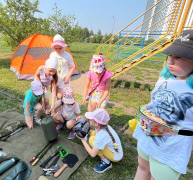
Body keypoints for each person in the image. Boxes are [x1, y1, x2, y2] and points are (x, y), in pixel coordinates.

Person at [133, 29, 193, 180]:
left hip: (171, 146)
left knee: (159, 176)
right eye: (170, 55)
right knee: (142, 167)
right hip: (148, 135)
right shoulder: (165, 78)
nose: (170, 61)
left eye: (179, 56)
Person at [77, 109, 123, 173]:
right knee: (93, 134)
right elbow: (92, 130)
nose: (89, 119)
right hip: (115, 150)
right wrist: (82, 121)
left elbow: (92, 154)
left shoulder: (101, 135)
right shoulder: (102, 126)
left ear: (96, 123)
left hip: (115, 156)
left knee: (91, 140)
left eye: (90, 119)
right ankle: (105, 158)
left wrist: (83, 140)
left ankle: (106, 162)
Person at [50, 34, 75, 99]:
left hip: (63, 79)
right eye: (56, 48)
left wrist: (68, 77)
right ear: (53, 48)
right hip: (55, 78)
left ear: (63, 47)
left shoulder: (67, 55)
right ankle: (57, 106)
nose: (58, 50)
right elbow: (50, 66)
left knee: (60, 96)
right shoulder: (52, 55)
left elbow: (73, 67)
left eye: (60, 48)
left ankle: (61, 108)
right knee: (54, 94)